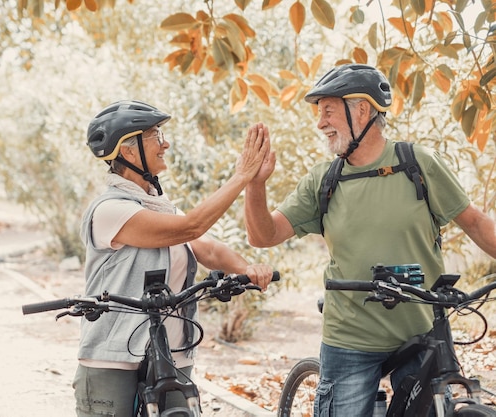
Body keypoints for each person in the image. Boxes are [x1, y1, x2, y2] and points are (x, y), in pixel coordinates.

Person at [243, 64, 496, 416]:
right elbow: (263, 235)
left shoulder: (417, 164)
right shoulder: (324, 179)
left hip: (421, 331)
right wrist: (254, 185)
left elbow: (477, 223)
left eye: (328, 110)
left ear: (361, 108)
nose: (320, 122)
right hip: (350, 339)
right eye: (319, 113)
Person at [74, 100, 275, 417]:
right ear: (128, 151)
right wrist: (241, 176)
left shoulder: (158, 206)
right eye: (155, 135)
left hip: (173, 356)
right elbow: (190, 226)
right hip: (114, 358)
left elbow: (207, 249)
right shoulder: (110, 210)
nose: (165, 143)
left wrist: (248, 270)